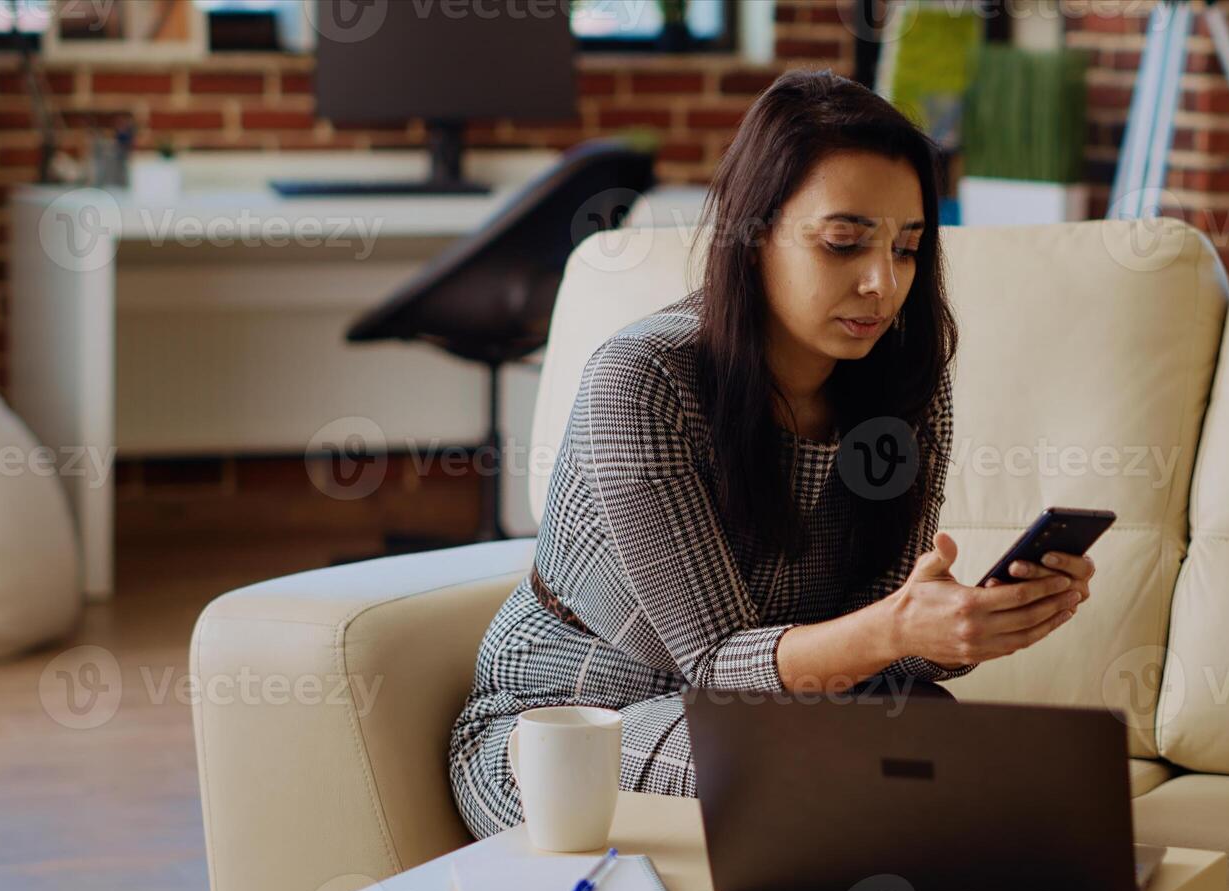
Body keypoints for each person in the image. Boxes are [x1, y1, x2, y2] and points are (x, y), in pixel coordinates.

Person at [449, 70, 1094, 838]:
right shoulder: (644, 378)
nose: (882, 284)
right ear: (750, 237)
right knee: (823, 775)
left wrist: (964, 629)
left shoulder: (904, 385)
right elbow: (721, 667)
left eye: (908, 248)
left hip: (780, 715)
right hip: (571, 728)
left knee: (945, 742)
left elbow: (869, 653)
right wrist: (896, 628)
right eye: (843, 243)